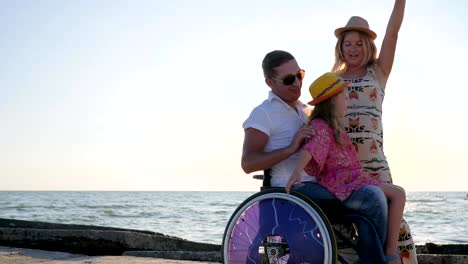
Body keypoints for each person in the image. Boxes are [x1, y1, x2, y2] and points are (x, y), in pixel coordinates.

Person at [242, 50, 389, 262]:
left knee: (374, 201)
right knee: (372, 198)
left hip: (323, 185)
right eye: (288, 79)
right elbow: (247, 163)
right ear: (270, 82)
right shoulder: (263, 114)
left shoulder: (306, 111)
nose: (297, 83)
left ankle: (370, 259)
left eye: (299, 75)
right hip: (294, 191)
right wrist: (291, 149)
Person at [285, 72, 406, 264]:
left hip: (354, 179)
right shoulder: (321, 126)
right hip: (342, 182)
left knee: (398, 193)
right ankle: (388, 255)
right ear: (332, 101)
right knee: (389, 196)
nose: (347, 99)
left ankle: (388, 252)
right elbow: (311, 148)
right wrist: (296, 171)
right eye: (343, 95)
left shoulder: (335, 127)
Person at [331, 1, 417, 263]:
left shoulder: (378, 72)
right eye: (348, 43)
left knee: (394, 224)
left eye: (359, 43)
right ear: (340, 48)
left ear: (368, 46)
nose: (353, 48)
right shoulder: (332, 80)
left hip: (375, 164)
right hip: (343, 167)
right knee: (343, 230)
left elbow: (393, 32)